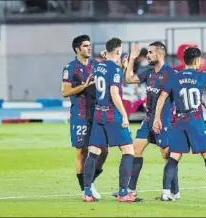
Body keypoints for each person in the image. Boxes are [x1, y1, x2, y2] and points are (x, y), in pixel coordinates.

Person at [153, 47, 206, 201]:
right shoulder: (200, 76)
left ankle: (166, 193)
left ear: (183, 60)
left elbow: (162, 98)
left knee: (173, 158)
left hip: (178, 121)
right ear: (198, 61)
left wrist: (157, 119)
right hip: (195, 121)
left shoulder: (174, 77)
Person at [83, 37, 143, 203]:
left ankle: (87, 192)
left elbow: (104, 75)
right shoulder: (114, 70)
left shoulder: (98, 66)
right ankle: (124, 193)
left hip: (98, 113)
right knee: (128, 150)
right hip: (112, 115)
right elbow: (115, 93)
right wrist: (124, 115)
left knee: (94, 151)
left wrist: (122, 66)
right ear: (118, 51)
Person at [121, 41, 181, 199]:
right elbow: (128, 79)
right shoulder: (148, 72)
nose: (147, 55)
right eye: (147, 53)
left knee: (167, 155)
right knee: (135, 151)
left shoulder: (170, 73)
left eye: (150, 52)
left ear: (160, 54)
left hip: (164, 120)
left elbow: (165, 97)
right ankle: (131, 190)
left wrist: (158, 119)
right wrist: (132, 59)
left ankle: (174, 192)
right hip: (148, 119)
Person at [61, 35, 108, 199]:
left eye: (90, 45)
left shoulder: (96, 65)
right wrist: (84, 85)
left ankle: (89, 182)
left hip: (97, 113)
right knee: (82, 151)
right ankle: (85, 190)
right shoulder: (71, 68)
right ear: (77, 49)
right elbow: (65, 92)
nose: (89, 48)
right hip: (80, 114)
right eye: (85, 46)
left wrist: (108, 58)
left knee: (103, 151)